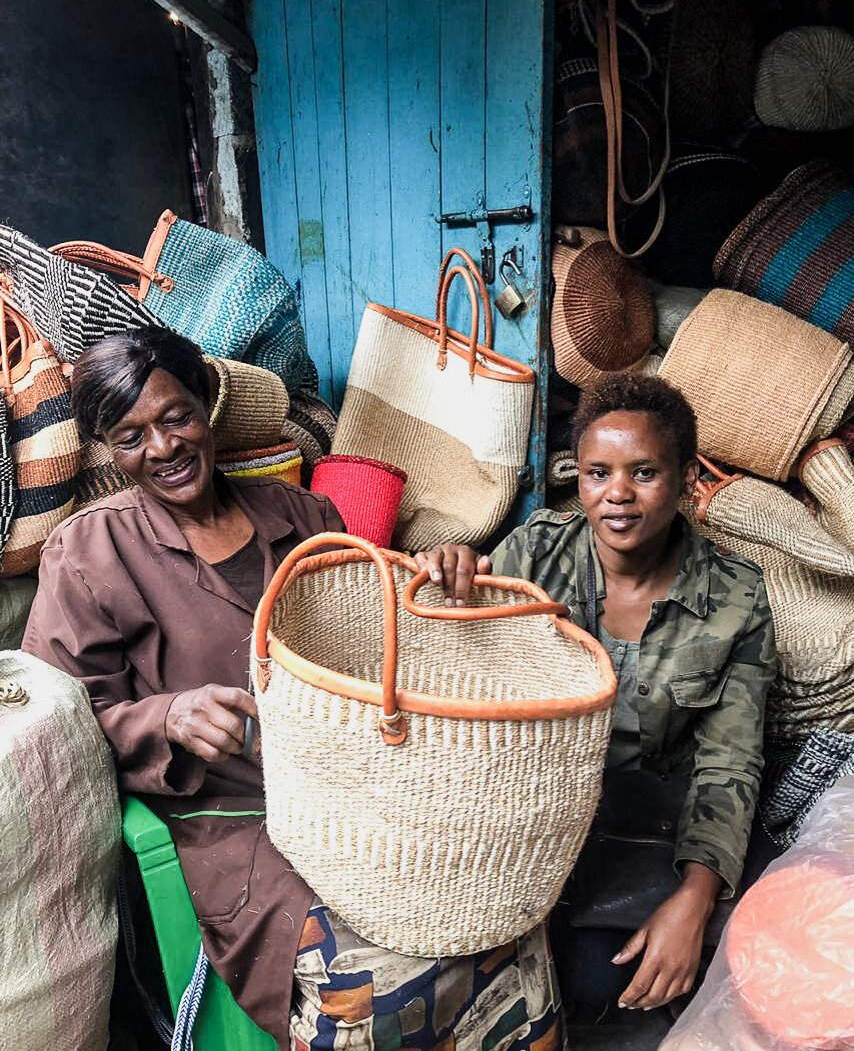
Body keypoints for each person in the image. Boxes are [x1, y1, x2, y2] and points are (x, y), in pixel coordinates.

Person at [22, 326, 566, 1051]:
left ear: (208, 404)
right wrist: (166, 717)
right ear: (110, 450)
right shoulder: (91, 551)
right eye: (130, 436)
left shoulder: (306, 519)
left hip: (360, 796)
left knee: (503, 923)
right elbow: (59, 719)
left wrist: (437, 578)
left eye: (176, 416)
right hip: (244, 821)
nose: (162, 448)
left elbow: (381, 643)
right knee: (380, 983)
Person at [416, 374, 778, 1015]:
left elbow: (730, 763)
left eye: (644, 473)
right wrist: (447, 578)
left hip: (645, 830)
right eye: (596, 473)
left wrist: (693, 902)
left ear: (687, 478)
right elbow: (452, 666)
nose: (617, 495)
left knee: (619, 984)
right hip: (527, 819)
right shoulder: (533, 556)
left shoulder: (736, 599)